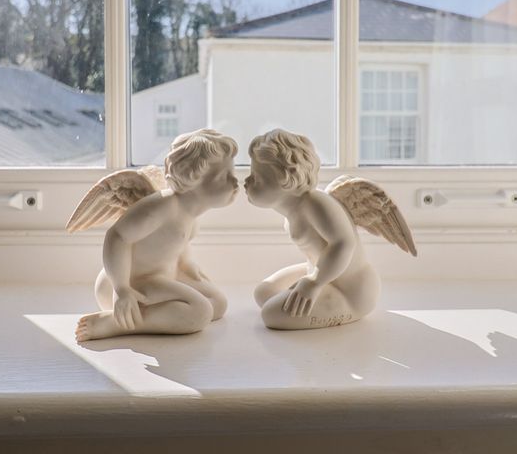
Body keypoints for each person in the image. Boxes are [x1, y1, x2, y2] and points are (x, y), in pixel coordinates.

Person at [74, 129, 238, 341]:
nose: (235, 182)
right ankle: (114, 323)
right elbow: (117, 237)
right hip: (132, 283)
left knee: (218, 303)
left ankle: (151, 315)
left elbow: (177, 243)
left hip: (161, 277)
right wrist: (122, 290)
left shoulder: (190, 214)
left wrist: (187, 266)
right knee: (201, 312)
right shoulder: (162, 207)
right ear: (193, 179)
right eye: (224, 176)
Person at [245, 129, 382, 330]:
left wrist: (314, 282)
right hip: (319, 272)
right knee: (264, 292)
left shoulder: (316, 203)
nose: (246, 182)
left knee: (271, 315)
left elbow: (343, 243)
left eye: (256, 178)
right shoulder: (292, 209)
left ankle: (340, 305)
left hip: (351, 290)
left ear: (285, 181)